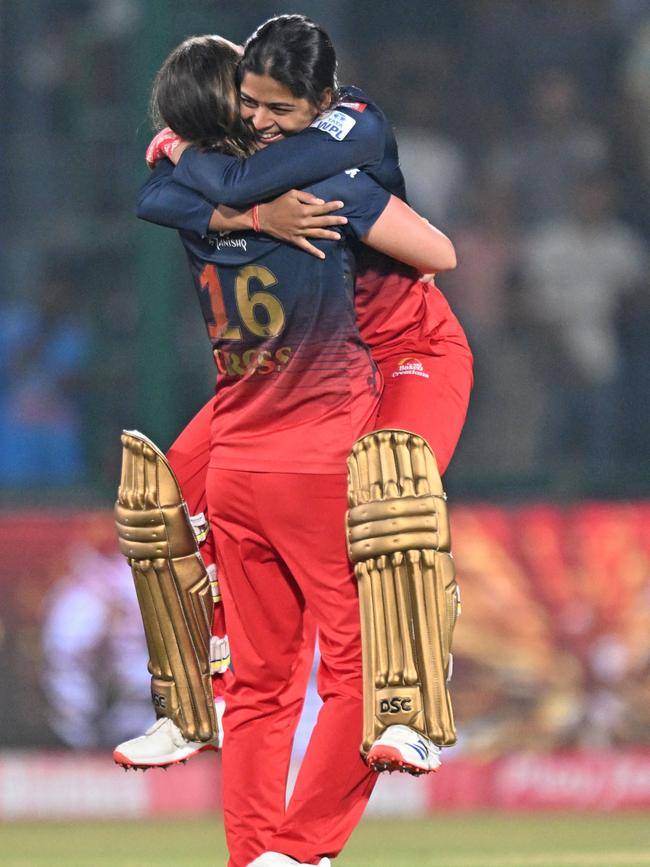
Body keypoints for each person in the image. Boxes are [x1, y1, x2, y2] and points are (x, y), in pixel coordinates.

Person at [119, 20, 471, 867]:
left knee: (395, 511)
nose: (266, 118)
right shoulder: (256, 181)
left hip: (404, 358)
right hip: (313, 375)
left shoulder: (347, 152)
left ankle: (407, 709)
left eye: (282, 108)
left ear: (321, 103)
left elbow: (444, 254)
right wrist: (234, 197)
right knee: (160, 499)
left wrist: (198, 168)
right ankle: (189, 700)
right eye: (251, 102)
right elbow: (155, 198)